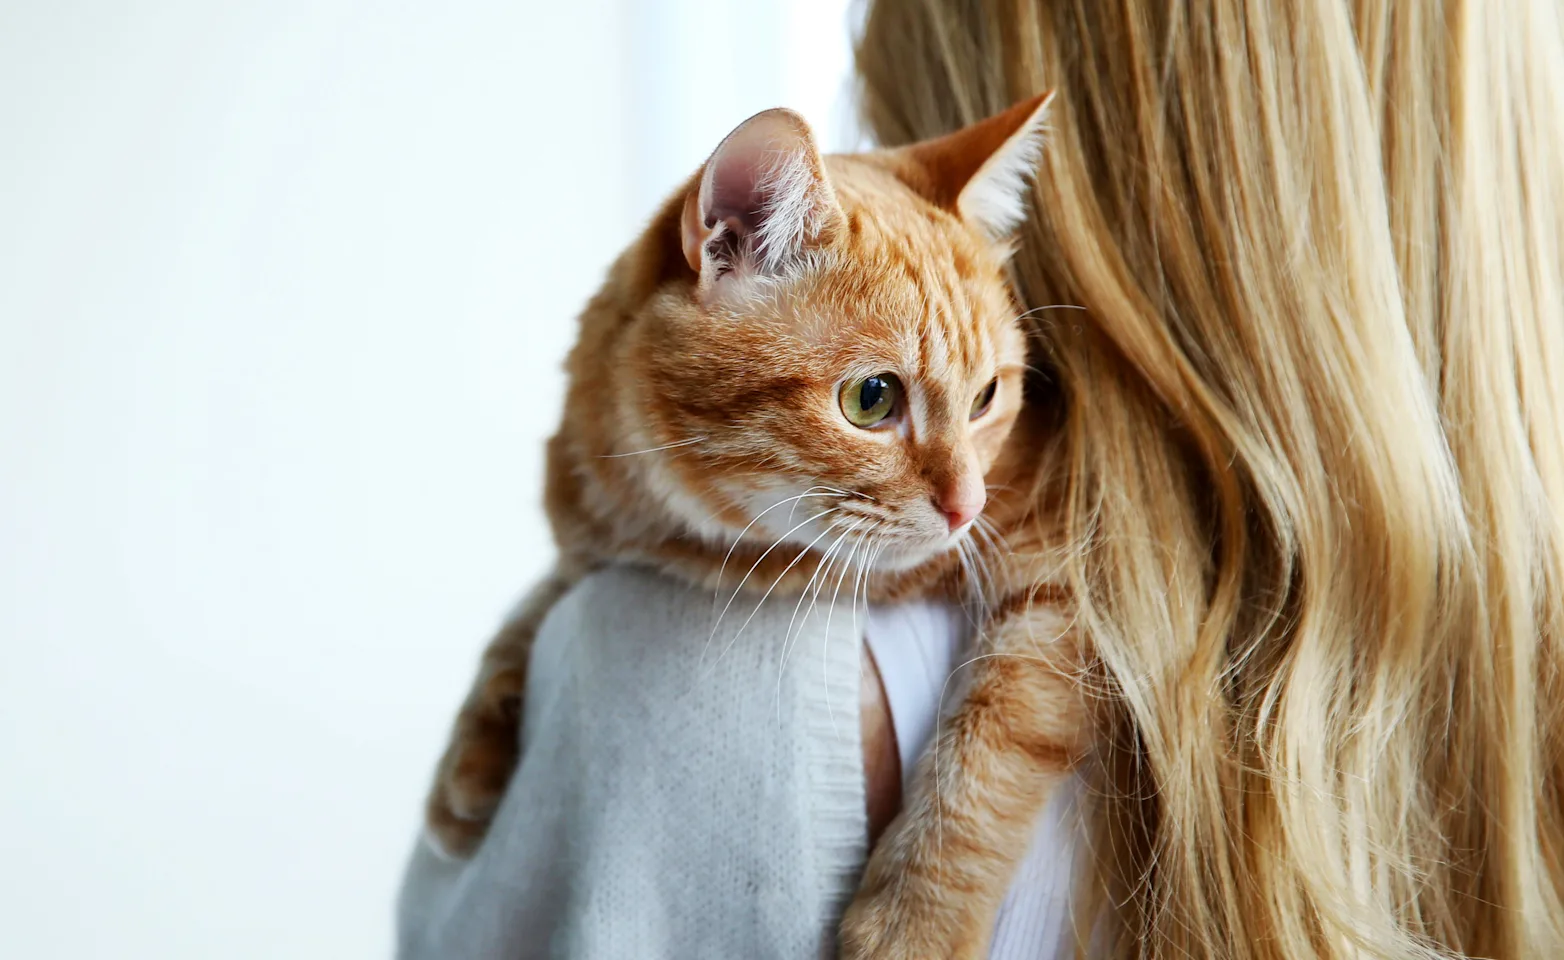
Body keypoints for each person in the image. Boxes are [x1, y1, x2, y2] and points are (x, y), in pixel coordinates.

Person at [398, 1, 1564, 957]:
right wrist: (525, 651)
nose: (960, 499)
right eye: (873, 401)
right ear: (728, 245)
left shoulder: (681, 689)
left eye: (994, 395)